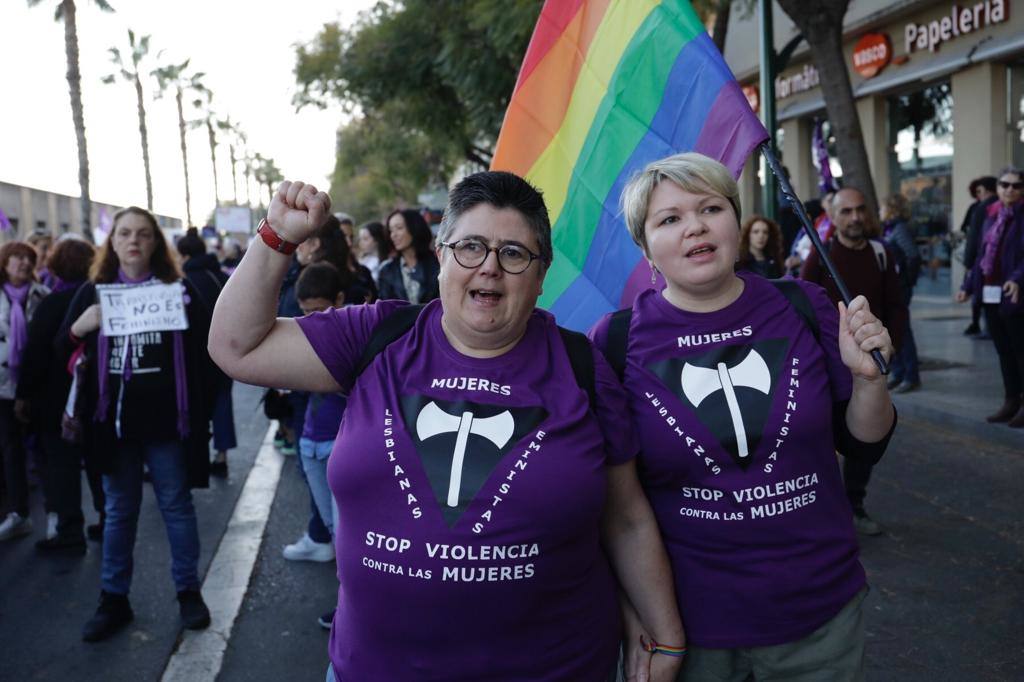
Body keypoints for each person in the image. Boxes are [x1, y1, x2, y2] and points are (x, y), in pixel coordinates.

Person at [209, 173, 684, 681]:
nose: (489, 267)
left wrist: (667, 635)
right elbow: (237, 348)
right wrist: (278, 236)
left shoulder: (583, 369)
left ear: (541, 275)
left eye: (514, 253)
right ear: (441, 256)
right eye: (471, 247)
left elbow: (626, 519)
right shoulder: (375, 336)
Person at [591, 153, 895, 682]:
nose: (695, 227)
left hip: (819, 615)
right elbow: (618, 507)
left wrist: (869, 380)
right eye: (670, 219)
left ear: (736, 220)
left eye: (711, 208)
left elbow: (864, 443)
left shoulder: (803, 305)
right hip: (690, 625)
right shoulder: (615, 341)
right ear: (646, 248)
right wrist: (642, 616)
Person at [58, 207, 216, 642]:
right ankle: (114, 599)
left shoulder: (178, 290)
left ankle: (188, 592)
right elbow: (59, 348)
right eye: (125, 233)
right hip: (112, 426)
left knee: (176, 506)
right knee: (118, 512)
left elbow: (212, 351)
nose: (133, 241)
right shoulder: (94, 291)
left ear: (155, 243)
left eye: (143, 234)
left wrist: (199, 410)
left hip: (167, 424)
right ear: (112, 241)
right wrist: (79, 328)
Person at [801, 186, 906, 537]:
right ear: (833, 216)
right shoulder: (820, 256)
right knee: (825, 438)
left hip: (869, 362)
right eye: (846, 211)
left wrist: (891, 347)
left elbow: (896, 305)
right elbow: (801, 308)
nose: (856, 217)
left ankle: (854, 504)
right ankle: (827, 508)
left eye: (860, 209)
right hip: (827, 367)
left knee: (866, 438)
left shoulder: (881, 253)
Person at [15, 237, 104, 553]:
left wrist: (24, 396)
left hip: (55, 399)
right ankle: (108, 519)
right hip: (94, 395)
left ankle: (69, 530)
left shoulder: (51, 303)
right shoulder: (99, 298)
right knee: (97, 462)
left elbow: (35, 355)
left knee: (62, 465)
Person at [294, 261, 348, 629]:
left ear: (339, 300)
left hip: (337, 444)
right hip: (309, 442)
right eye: (304, 312)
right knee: (333, 529)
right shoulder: (303, 334)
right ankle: (348, 605)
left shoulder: (355, 337)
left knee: (347, 537)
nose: (310, 319)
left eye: (318, 310)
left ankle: (351, 610)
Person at [957, 167, 1024, 427]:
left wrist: (1017, 279)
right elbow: (982, 256)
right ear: (997, 188)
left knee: (1020, 351)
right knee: (1003, 351)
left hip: (1014, 294)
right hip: (990, 292)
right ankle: (1011, 401)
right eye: (1005, 184)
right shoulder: (991, 215)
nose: (1010, 190)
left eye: (1016, 186)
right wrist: (967, 285)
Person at [0, 242, 50, 541]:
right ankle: (19, 513)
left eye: (28, 258)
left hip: (36, 384)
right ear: (4, 263)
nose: (23, 262)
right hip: (3, 384)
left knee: (44, 449)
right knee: (10, 449)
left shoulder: (42, 295)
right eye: (16, 257)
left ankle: (56, 515)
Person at [177, 228, 235, 477]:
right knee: (222, 402)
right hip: (226, 351)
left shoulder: (183, 282)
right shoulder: (221, 275)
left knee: (195, 404)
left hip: (194, 355)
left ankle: (191, 458)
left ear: (185, 256)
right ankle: (221, 455)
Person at [880, 194, 922, 393]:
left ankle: (911, 376)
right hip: (892, 286)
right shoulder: (889, 228)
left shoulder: (899, 228)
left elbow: (913, 255)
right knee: (892, 329)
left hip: (900, 287)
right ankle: (898, 372)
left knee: (903, 330)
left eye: (882, 207)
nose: (880, 211)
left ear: (891, 208)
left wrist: (907, 281)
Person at [961, 176, 999, 337]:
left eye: (980, 191)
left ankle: (989, 329)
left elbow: (974, 239)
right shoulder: (982, 208)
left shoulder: (983, 208)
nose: (978, 195)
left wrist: (968, 261)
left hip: (987, 263)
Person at [377, 208, 440, 303]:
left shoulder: (438, 264)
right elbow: (385, 307)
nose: (393, 235)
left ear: (414, 227)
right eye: (390, 231)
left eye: (399, 228)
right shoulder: (386, 271)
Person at [355, 220, 391, 285]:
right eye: (360, 239)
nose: (361, 243)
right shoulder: (362, 262)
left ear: (376, 240)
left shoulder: (389, 261)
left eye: (365, 239)